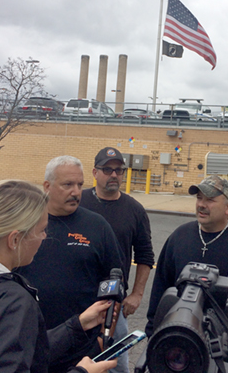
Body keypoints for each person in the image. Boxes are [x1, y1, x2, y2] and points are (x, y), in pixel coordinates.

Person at [0, 179, 117, 373]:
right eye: (42, 230)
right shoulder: (11, 303)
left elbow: (22, 349)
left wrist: (76, 326)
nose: (45, 237)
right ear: (15, 239)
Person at [17, 156, 125, 373]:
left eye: (80, 185)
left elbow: (114, 286)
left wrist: (104, 338)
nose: (76, 192)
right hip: (31, 346)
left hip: (82, 351)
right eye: (68, 185)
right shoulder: (26, 225)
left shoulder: (97, 226)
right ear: (47, 186)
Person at [80, 147, 155, 373]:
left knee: (115, 365)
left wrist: (137, 294)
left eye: (119, 170)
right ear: (95, 172)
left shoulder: (134, 210)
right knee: (75, 358)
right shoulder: (79, 202)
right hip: (78, 300)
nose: (114, 175)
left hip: (114, 306)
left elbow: (145, 255)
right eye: (107, 169)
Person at [145, 175, 228, 337]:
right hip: (179, 333)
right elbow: (161, 287)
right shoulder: (179, 236)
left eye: (210, 200)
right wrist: (152, 331)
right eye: (199, 198)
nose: (201, 205)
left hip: (224, 340)